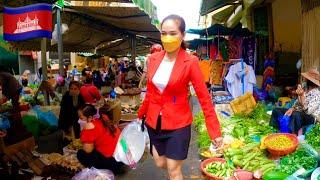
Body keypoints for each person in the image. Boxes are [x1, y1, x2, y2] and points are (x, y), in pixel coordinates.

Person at [137, 14, 222, 180]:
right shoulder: (153, 59)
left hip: (178, 123)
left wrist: (214, 131)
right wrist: (140, 115)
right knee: (160, 162)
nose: (167, 38)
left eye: (173, 33)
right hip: (154, 122)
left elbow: (204, 98)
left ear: (182, 35)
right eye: (164, 33)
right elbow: (151, 92)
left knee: (173, 170)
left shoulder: (190, 62)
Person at [270, 68, 320, 134]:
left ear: (310, 81)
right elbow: (297, 103)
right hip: (299, 112)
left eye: (306, 78)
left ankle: (293, 135)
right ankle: (276, 130)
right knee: (277, 110)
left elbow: (307, 111)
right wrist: (292, 108)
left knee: (296, 115)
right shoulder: (305, 87)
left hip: (311, 117)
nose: (305, 79)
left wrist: (302, 96)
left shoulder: (317, 94)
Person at [77, 104, 123, 174]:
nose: (79, 120)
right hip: (122, 159)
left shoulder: (89, 126)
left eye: (81, 118)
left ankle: (101, 171)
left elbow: (88, 150)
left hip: (112, 164)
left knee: (81, 154)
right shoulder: (104, 119)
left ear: (89, 117)